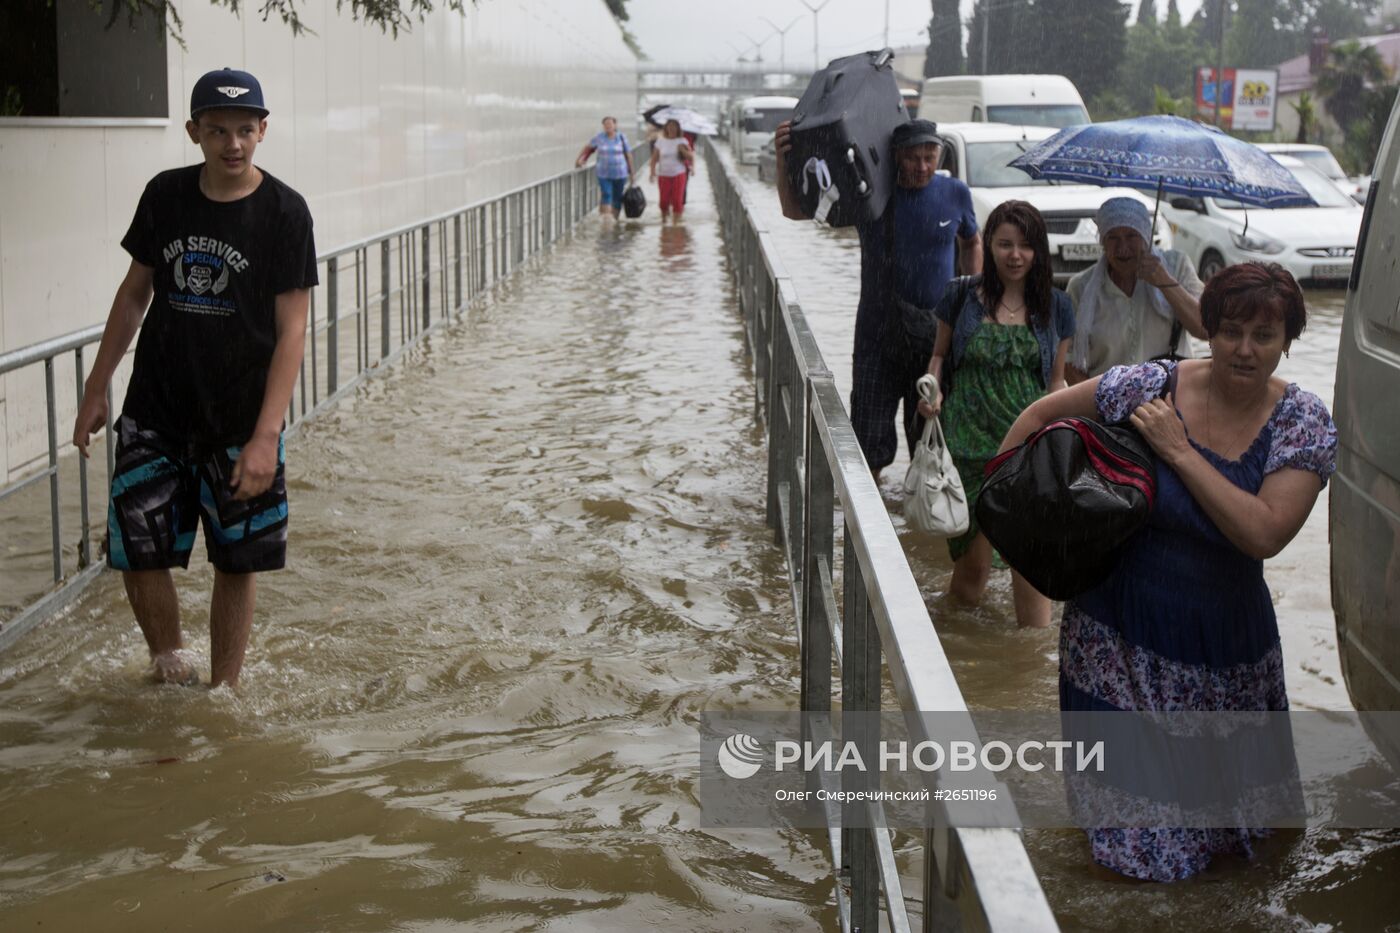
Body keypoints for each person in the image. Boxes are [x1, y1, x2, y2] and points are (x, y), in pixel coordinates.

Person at [998, 261, 1337, 881]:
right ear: (1208, 328)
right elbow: (1038, 419)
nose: (1244, 349)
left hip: (1222, 653)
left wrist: (1177, 451)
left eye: (1264, 336)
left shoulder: (1302, 422)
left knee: (1236, 848)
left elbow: (1264, 532)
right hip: (1113, 635)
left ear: (1288, 341)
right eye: (1231, 330)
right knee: (1138, 846)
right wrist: (1009, 517)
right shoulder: (1149, 386)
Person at [71, 68, 317, 689]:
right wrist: (97, 385)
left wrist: (267, 436)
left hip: (240, 419)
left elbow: (293, 330)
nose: (231, 144)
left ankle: (223, 691)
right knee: (137, 549)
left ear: (263, 131)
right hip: (155, 411)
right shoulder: (165, 195)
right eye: (216, 131)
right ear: (194, 132)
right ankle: (170, 663)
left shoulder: (286, 213)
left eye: (243, 130)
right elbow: (133, 295)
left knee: (237, 562)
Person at [774, 118, 981, 483]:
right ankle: (867, 526)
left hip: (936, 341)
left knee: (933, 449)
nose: (922, 167)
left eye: (929, 157)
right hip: (877, 337)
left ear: (939, 155)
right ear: (895, 157)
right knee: (867, 450)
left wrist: (972, 295)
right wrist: (783, 158)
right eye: (913, 158)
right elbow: (794, 211)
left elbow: (972, 240)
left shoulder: (955, 193)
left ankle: (919, 529)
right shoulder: (870, 197)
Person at [916, 200, 1074, 628]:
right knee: (973, 571)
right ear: (989, 245)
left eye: (1025, 245)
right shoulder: (960, 296)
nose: (1015, 255)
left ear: (1038, 250)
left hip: (1026, 448)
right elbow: (938, 356)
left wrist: (1069, 436)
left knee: (1030, 568)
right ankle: (955, 652)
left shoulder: (1057, 307)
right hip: (966, 447)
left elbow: (1056, 383)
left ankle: (1028, 672)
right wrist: (931, 392)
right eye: (1005, 244)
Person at [1066, 197, 1207, 384]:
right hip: (1106, 400)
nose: (1123, 248)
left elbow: (1204, 329)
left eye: (1132, 236)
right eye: (1113, 238)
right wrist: (1098, 405)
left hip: (1169, 398)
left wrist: (1165, 282)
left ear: (1146, 238)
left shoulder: (1177, 266)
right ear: (1102, 243)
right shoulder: (1081, 287)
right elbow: (1068, 362)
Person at [575, 116, 634, 219]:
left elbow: (628, 155)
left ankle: (615, 219)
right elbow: (588, 149)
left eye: (610, 124)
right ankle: (607, 221)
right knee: (606, 194)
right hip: (604, 173)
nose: (608, 126)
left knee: (617, 197)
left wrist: (632, 173)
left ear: (615, 125)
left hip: (620, 173)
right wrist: (580, 160)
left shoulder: (621, 137)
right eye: (606, 124)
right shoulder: (599, 138)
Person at [649, 118, 693, 222]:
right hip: (663, 174)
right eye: (670, 126)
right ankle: (664, 221)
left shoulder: (682, 141)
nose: (672, 128)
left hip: (679, 174)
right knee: (663, 201)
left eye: (674, 126)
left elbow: (690, 157)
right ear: (666, 128)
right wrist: (652, 173)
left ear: (678, 129)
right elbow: (654, 158)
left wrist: (682, 149)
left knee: (677, 200)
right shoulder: (660, 141)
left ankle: (676, 224)